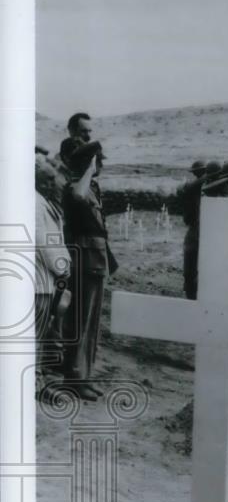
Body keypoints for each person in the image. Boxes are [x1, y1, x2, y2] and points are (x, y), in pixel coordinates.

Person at [61, 140, 117, 400]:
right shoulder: (76, 186)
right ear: (89, 163)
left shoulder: (91, 187)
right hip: (84, 260)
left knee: (91, 324)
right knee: (80, 321)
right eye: (98, 160)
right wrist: (88, 169)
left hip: (95, 261)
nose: (102, 165)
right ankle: (74, 377)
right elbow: (78, 196)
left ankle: (85, 375)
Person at [35, 153, 71, 393]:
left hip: (43, 281)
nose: (51, 184)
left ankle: (35, 381)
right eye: (47, 179)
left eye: (52, 179)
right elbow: (43, 241)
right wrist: (61, 266)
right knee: (33, 336)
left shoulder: (41, 201)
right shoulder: (33, 202)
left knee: (37, 336)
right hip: (37, 281)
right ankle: (34, 383)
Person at [175, 160, 218, 300]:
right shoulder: (197, 186)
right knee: (191, 268)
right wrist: (209, 175)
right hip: (197, 230)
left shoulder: (211, 186)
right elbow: (185, 189)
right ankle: (192, 293)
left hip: (202, 231)